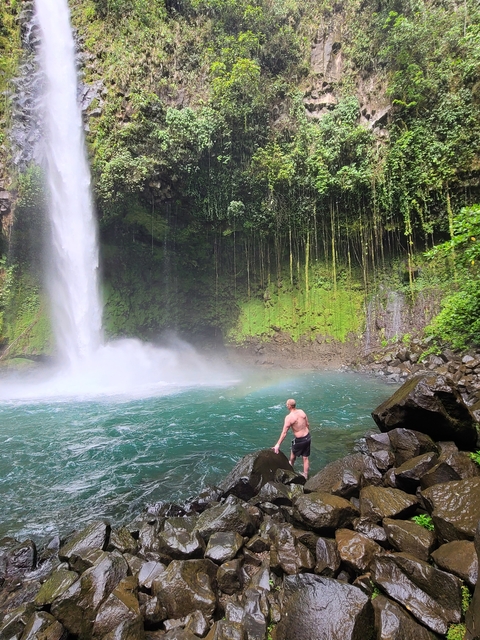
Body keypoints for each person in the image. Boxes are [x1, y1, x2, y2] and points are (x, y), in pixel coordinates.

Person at [272, 398, 311, 478]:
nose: (286, 405)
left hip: (300, 440)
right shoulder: (301, 412)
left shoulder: (289, 417)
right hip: (308, 437)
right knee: (305, 458)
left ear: (289, 406)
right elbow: (307, 424)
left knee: (293, 456)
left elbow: (284, 433)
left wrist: (278, 444)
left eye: (287, 404)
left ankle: (290, 470)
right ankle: (305, 475)